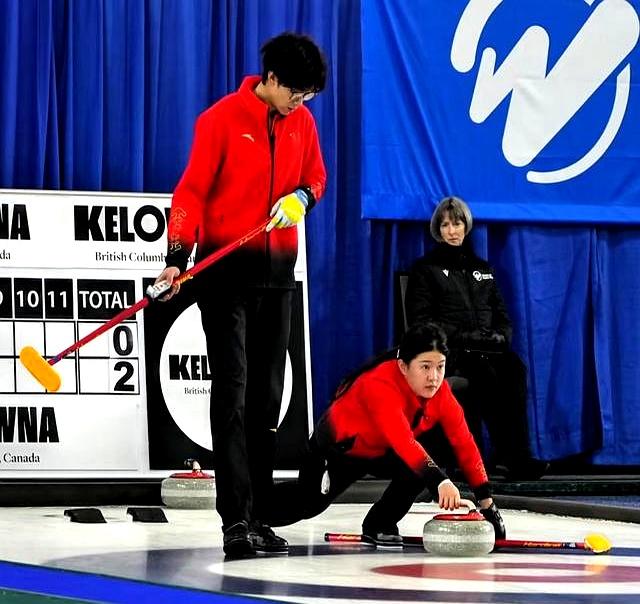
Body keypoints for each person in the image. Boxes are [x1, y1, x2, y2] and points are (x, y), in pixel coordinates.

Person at [154, 32, 327, 559]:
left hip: (278, 277)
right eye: (296, 91)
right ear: (270, 79)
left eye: (308, 95)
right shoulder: (220, 120)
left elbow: (317, 178)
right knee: (232, 393)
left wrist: (302, 198)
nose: (301, 102)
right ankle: (235, 519)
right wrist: (177, 256)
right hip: (226, 277)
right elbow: (190, 192)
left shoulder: (303, 123)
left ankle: (259, 516)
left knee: (267, 400)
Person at [260, 322, 506, 545]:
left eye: (440, 367)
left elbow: (464, 443)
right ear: (403, 366)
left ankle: (380, 523)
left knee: (435, 450)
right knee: (309, 503)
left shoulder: (441, 392)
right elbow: (404, 442)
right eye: (425, 367)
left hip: (382, 450)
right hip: (338, 451)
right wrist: (440, 482)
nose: (434, 377)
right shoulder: (380, 384)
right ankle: (251, 515)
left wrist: (487, 504)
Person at [405, 196, 548, 480]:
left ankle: (516, 456)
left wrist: (501, 337)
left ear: (466, 226)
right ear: (438, 230)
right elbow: (422, 322)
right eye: (445, 225)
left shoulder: (482, 268)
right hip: (451, 353)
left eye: (457, 224)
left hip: (487, 349)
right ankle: (482, 458)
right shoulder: (425, 269)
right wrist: (465, 337)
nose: (452, 231)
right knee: (483, 374)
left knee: (514, 369)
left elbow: (502, 315)